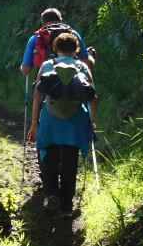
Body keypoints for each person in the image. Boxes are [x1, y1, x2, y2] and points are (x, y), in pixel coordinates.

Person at [27, 32, 95, 218]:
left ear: (55, 48)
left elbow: (37, 95)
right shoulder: (82, 66)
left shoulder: (47, 65)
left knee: (48, 157)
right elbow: (92, 98)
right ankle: (66, 206)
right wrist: (92, 122)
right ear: (76, 49)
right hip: (75, 120)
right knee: (70, 162)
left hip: (50, 119)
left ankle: (51, 195)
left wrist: (34, 124)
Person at [19, 7, 96, 76]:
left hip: (46, 82)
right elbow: (87, 64)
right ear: (61, 20)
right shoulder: (72, 33)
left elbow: (25, 70)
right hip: (72, 79)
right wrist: (91, 56)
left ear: (43, 23)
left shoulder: (36, 38)